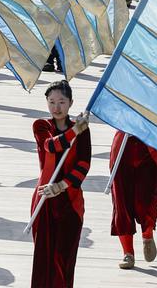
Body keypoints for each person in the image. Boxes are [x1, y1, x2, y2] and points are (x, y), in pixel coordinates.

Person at [30, 80, 90, 288]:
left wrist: (61, 186)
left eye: (62, 102)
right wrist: (76, 131)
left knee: (64, 259)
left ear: (71, 103)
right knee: (43, 260)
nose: (56, 107)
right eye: (52, 102)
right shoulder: (41, 126)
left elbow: (83, 165)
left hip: (70, 200)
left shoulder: (82, 130)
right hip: (44, 200)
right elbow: (51, 146)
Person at [109, 131, 157, 269]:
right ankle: (128, 253)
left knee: (146, 200)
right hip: (122, 147)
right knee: (121, 203)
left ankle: (147, 234)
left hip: (149, 146)